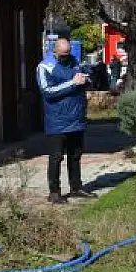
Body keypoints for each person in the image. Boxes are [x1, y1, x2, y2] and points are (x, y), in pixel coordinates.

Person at [37, 38, 94, 205]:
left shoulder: (75, 62)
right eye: (62, 55)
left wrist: (85, 80)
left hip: (76, 117)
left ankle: (76, 187)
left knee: (75, 154)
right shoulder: (45, 67)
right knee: (56, 157)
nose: (66, 57)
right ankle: (54, 192)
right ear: (55, 52)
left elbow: (86, 78)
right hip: (57, 119)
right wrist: (72, 83)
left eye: (68, 54)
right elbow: (47, 91)